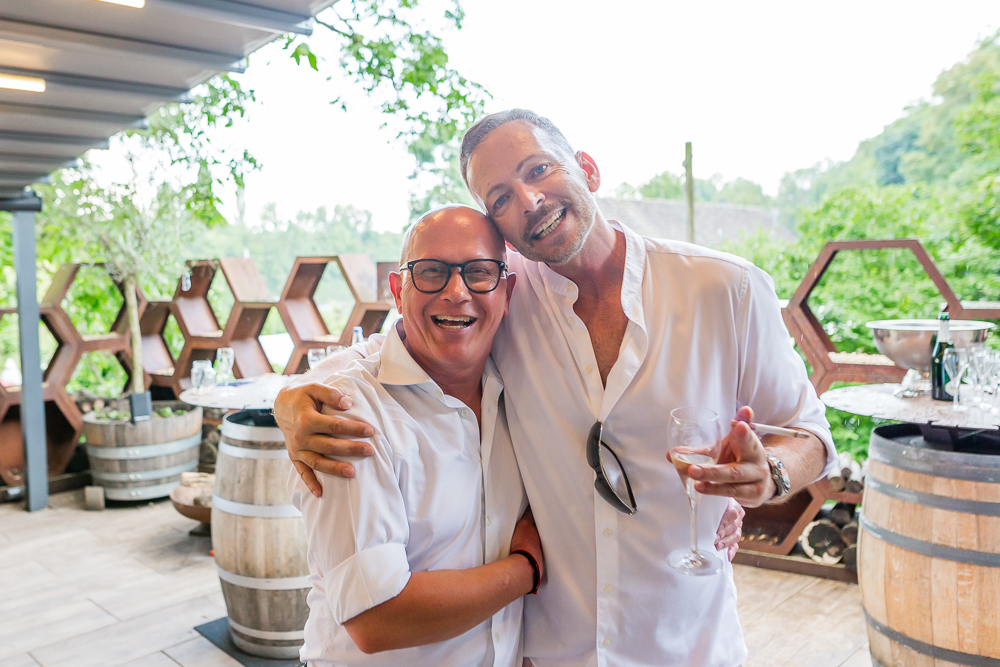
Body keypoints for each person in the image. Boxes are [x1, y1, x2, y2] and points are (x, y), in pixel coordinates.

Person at [278, 110, 837, 667]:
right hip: (549, 653)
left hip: (688, 644)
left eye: (538, 170)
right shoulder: (506, 298)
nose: (527, 200)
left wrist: (772, 475)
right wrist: (295, 397)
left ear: (588, 169)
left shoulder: (725, 288)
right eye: (498, 198)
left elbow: (807, 433)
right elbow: (411, 334)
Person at [288, 205, 542, 666]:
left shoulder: (523, 387)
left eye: (479, 272)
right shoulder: (347, 413)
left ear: (507, 290)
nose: (456, 292)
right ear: (397, 291)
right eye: (431, 272)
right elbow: (377, 616)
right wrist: (526, 569)